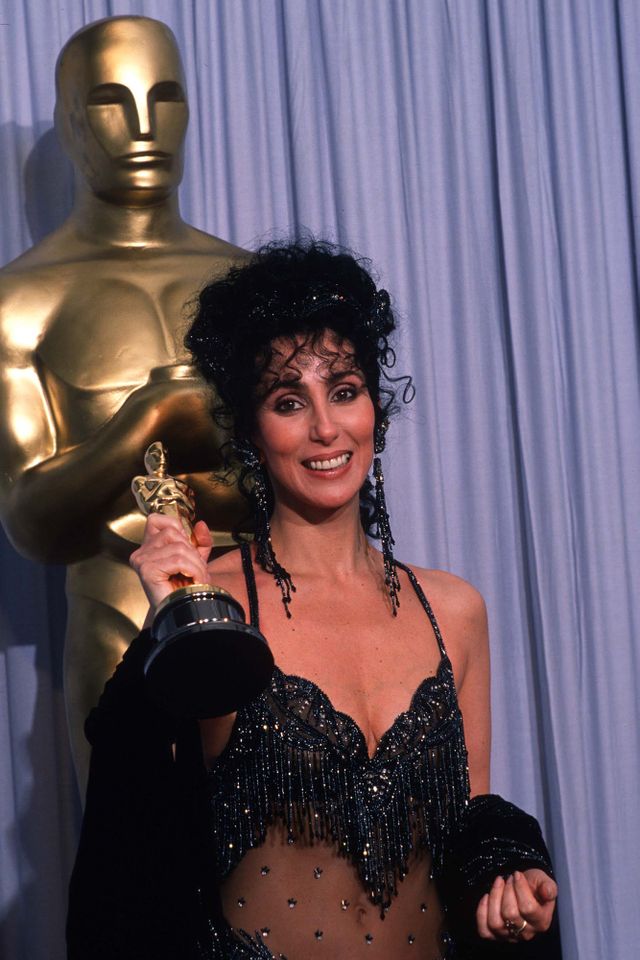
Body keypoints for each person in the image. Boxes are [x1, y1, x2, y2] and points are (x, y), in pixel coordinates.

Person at [67, 241, 559, 959]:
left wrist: (507, 868)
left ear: (376, 411)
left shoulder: (454, 611)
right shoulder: (215, 608)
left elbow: (469, 825)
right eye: (289, 402)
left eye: (345, 390)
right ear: (251, 432)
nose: (326, 428)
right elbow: (133, 835)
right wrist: (173, 611)